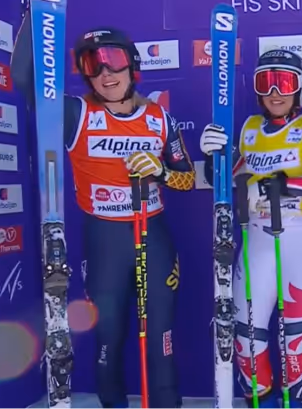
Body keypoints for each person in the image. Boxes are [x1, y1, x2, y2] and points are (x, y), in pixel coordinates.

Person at [11, 14, 195, 409]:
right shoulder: (76, 114)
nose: (106, 72)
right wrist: (33, 15)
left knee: (160, 334)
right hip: (105, 239)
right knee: (108, 335)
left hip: (152, 234)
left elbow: (188, 179)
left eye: (113, 60)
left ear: (132, 64)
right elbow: (26, 81)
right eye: (92, 64)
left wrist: (162, 172)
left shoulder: (159, 118)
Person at [199, 49, 302, 409]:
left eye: (285, 82)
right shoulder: (249, 130)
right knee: (246, 335)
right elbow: (220, 180)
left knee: (294, 340)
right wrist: (212, 157)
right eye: (266, 83)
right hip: (257, 240)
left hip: (301, 240)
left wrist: (285, 185)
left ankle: (295, 403)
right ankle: (260, 402)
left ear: (301, 87)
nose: (275, 92)